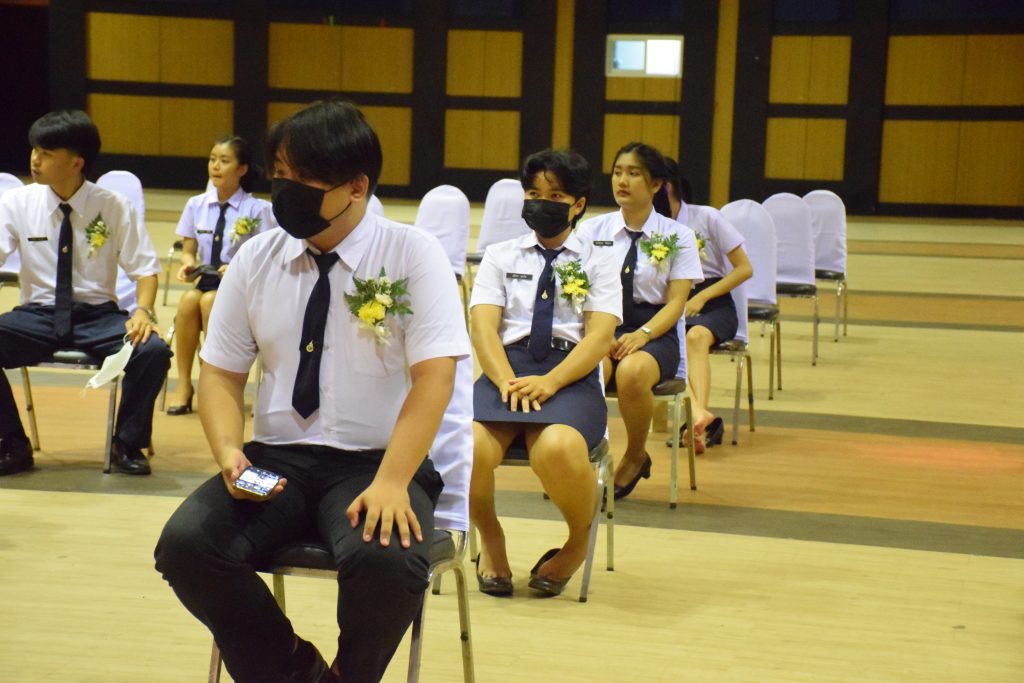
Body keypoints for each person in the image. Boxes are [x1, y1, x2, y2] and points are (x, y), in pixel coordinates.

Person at [154, 100, 470, 683]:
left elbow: (435, 378)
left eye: (304, 178)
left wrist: (393, 481)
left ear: (357, 186)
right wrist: (229, 453)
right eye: (281, 174)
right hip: (278, 460)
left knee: (388, 559)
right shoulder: (256, 257)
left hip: (377, 462)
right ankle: (296, 671)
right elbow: (221, 373)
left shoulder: (411, 254)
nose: (286, 191)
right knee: (187, 546)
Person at [470, 148, 620, 597]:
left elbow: (600, 336)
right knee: (465, 445)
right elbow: (482, 326)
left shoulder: (599, 259)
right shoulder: (500, 255)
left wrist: (552, 382)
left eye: (555, 196)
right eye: (533, 194)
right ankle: (491, 538)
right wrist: (504, 380)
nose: (541, 203)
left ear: (578, 204)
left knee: (555, 448)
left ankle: (576, 544)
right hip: (508, 370)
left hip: (569, 373)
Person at [0, 109, 169, 476]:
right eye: (34, 149)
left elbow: (145, 270)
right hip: (37, 315)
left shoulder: (113, 206)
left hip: (98, 316)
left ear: (76, 162)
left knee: (153, 351)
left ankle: (127, 442)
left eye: (46, 152)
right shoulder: (17, 203)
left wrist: (142, 311)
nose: (34, 159)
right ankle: (12, 442)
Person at [575, 142, 702, 501]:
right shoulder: (592, 230)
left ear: (656, 184)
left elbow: (677, 303)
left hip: (655, 331)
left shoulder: (678, 235)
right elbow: (577, 290)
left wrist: (643, 335)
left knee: (631, 372)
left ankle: (635, 455)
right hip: (602, 323)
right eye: (618, 172)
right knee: (589, 370)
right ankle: (579, 458)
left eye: (633, 174)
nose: (622, 181)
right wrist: (598, 334)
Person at [167, 135, 275, 415]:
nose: (215, 166)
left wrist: (237, 268)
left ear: (242, 169)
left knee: (209, 301)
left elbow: (267, 256)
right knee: (189, 300)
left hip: (240, 288)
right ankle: (184, 384)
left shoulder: (258, 209)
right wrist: (187, 264)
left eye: (224, 161)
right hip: (206, 280)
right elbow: (188, 250)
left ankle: (214, 382)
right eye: (212, 159)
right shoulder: (196, 204)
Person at [655, 158, 753, 453]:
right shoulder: (650, 223)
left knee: (695, 337)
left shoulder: (707, 217)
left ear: (666, 187)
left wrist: (702, 297)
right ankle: (700, 420)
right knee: (666, 342)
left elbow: (744, 269)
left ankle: (693, 423)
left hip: (712, 303)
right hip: (670, 302)